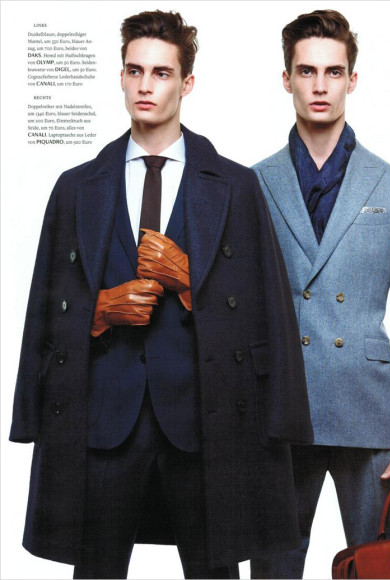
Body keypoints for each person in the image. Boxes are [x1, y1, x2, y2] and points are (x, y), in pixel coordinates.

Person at [9, 9, 313, 580]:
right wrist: (98, 312)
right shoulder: (76, 187)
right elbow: (43, 314)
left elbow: (266, 313)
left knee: (214, 573)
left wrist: (190, 280)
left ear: (186, 83)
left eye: (162, 73)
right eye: (135, 71)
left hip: (204, 423)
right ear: (121, 77)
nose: (145, 85)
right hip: (104, 423)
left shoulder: (236, 186)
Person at [250, 9, 390, 579]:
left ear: (352, 79)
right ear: (287, 79)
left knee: (384, 569)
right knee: (273, 572)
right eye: (306, 71)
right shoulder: (251, 185)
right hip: (281, 412)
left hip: (370, 414)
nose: (319, 85)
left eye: (333, 71)